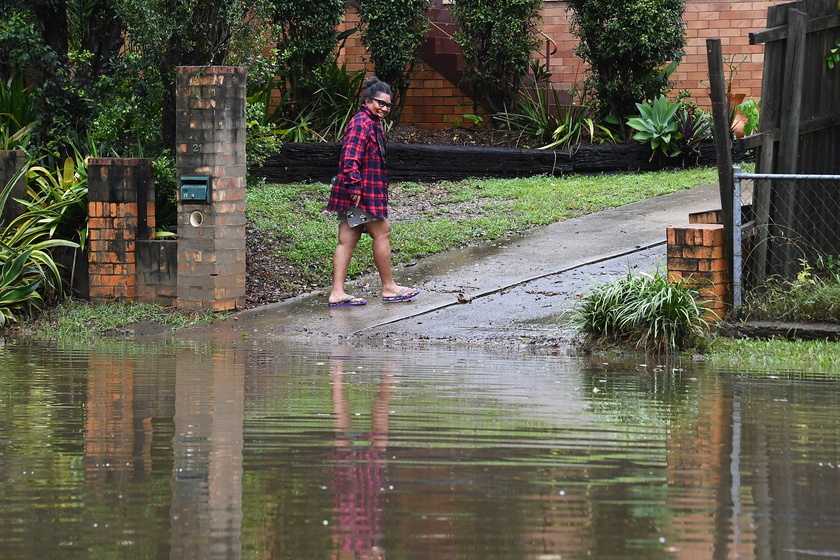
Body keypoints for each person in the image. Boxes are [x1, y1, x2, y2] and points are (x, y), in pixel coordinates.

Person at [326, 76, 420, 308]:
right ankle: (389, 288)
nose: (384, 108)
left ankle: (337, 293)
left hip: (360, 191)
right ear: (367, 101)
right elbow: (349, 157)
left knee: (347, 239)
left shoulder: (371, 123)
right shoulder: (361, 123)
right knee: (382, 232)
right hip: (362, 192)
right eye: (380, 103)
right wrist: (355, 186)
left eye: (388, 105)